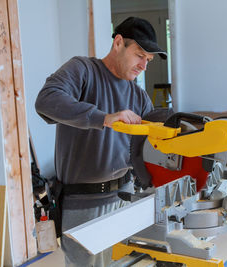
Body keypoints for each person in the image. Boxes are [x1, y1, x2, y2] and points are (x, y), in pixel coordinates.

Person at [35, 17, 167, 267]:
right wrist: (103, 118)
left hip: (125, 196)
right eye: (140, 55)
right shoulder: (83, 70)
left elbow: (153, 142)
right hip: (83, 202)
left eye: (148, 60)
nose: (144, 66)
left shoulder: (137, 94)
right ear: (118, 43)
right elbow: (46, 100)